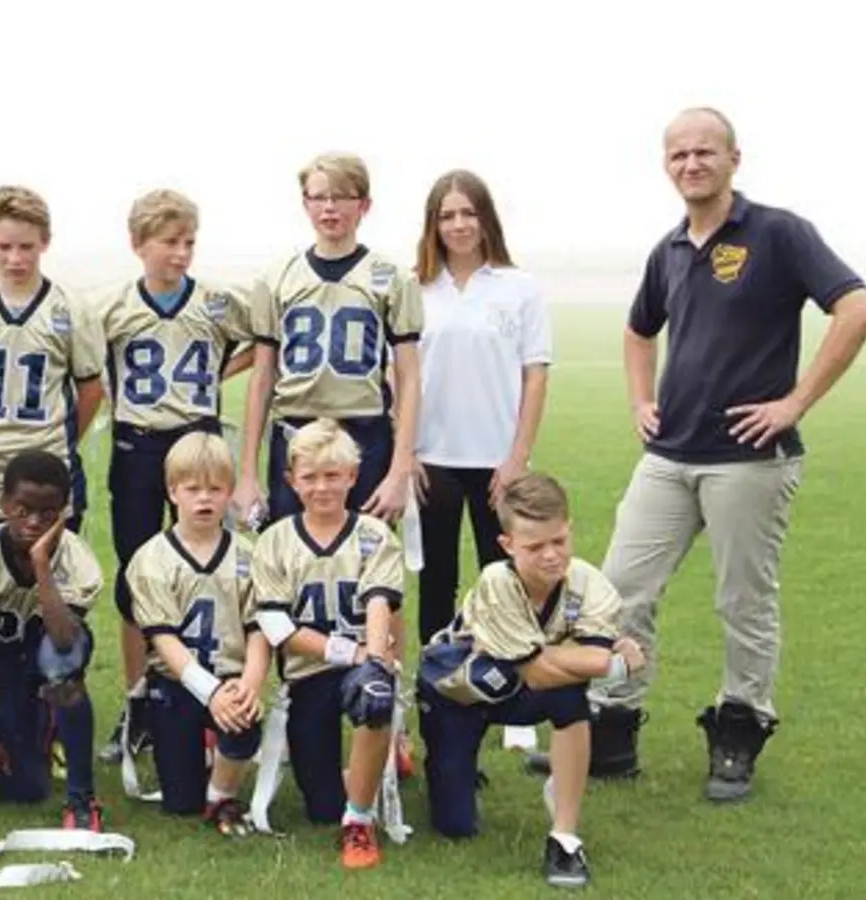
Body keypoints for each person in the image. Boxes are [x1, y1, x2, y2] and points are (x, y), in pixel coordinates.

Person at [527, 107, 866, 803]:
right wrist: (639, 401)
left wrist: (795, 403)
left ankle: (738, 735)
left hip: (749, 460)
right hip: (669, 455)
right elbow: (638, 332)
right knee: (619, 591)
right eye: (679, 154)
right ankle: (614, 732)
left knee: (743, 602)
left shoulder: (778, 233)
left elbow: (859, 309)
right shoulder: (669, 250)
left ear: (733, 159)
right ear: (667, 166)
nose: (692, 163)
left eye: (704, 152)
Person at [417, 471, 643, 888]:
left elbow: (559, 668)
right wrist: (614, 663)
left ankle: (565, 836)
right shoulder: (496, 582)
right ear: (507, 545)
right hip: (458, 691)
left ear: (569, 529)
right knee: (455, 825)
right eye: (535, 546)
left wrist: (587, 658)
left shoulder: (590, 583)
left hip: (518, 686)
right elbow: (538, 671)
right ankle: (454, 768)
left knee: (569, 696)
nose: (551, 556)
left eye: (559, 541)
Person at [95, 188, 254, 764]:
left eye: (189, 242)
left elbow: (267, 342)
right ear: (138, 244)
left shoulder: (216, 303)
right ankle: (140, 699)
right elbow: (88, 371)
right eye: (169, 242)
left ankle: (221, 691)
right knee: (138, 579)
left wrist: (215, 374)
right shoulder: (110, 307)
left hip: (198, 439)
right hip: (137, 443)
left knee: (215, 567)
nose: (181, 254)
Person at [233, 152, 424, 527]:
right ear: (305, 203)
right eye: (319, 197)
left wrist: (400, 470)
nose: (330, 207)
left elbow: (410, 377)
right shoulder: (277, 278)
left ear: (364, 205)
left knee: (365, 559)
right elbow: (262, 377)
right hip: (295, 431)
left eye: (342, 196)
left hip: (365, 434)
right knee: (289, 557)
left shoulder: (393, 278)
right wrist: (248, 474)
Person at [251, 418, 407, 869]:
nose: (322, 487)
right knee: (320, 806)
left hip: (361, 665)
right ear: (291, 481)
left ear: (353, 477)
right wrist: (348, 651)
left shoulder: (374, 535)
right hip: (310, 672)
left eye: (333, 476)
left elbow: (380, 602)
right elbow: (278, 628)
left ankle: (359, 821)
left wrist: (374, 661)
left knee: (374, 695)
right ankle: (365, 770)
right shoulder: (276, 540)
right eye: (311, 477)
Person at [412, 169, 553, 646]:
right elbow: (398, 377)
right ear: (433, 224)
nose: (458, 225)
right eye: (446, 215)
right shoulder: (416, 289)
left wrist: (516, 458)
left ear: (486, 218)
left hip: (499, 461)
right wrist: (406, 451)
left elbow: (535, 375)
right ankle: (436, 689)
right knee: (436, 582)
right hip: (433, 459)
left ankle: (513, 698)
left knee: (506, 582)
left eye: (468, 212)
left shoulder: (519, 287)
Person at [0, 185, 104, 541]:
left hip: (51, 460)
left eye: (26, 247)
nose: (15, 258)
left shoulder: (71, 310)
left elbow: (91, 390)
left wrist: (64, 436)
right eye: (4, 247)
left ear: (45, 242)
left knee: (56, 575)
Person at [0, 450, 106, 830]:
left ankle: (81, 798)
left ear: (64, 513)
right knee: (21, 791)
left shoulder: (78, 561)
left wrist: (41, 564)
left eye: (48, 514)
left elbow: (66, 641)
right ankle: (40, 725)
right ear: (4, 505)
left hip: (53, 650)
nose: (34, 522)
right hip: (3, 658)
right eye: (23, 511)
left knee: (62, 672)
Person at [127, 431, 267, 833]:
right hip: (177, 681)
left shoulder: (246, 555)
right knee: (179, 804)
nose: (204, 499)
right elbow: (163, 638)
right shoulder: (152, 558)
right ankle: (201, 762)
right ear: (172, 492)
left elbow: (258, 629)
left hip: (231, 675)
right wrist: (210, 692)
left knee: (243, 718)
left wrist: (250, 686)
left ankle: (221, 794)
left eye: (215, 489)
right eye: (193, 489)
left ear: (230, 493)